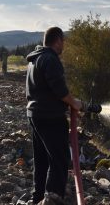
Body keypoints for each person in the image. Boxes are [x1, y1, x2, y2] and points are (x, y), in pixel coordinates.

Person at [26, 27, 82, 204]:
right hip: (50, 117)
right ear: (57, 40)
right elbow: (59, 89)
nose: (63, 45)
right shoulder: (50, 59)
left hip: (35, 115)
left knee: (42, 160)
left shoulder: (34, 60)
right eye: (63, 41)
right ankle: (52, 199)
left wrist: (68, 103)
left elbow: (44, 89)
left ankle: (38, 198)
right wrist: (74, 103)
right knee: (59, 159)